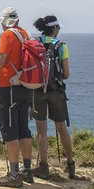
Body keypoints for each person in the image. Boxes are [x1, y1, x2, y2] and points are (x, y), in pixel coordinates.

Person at [0, 7, 34, 188]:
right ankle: (27, 171)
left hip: (9, 86)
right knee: (24, 128)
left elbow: (1, 59)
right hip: (26, 85)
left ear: (4, 21)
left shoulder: (8, 36)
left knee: (10, 129)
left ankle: (14, 174)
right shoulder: (26, 34)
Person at [31, 15, 75, 180]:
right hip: (56, 91)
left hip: (37, 91)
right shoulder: (62, 46)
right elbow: (66, 74)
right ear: (54, 28)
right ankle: (70, 165)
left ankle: (43, 166)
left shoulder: (34, 43)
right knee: (61, 127)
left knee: (41, 130)